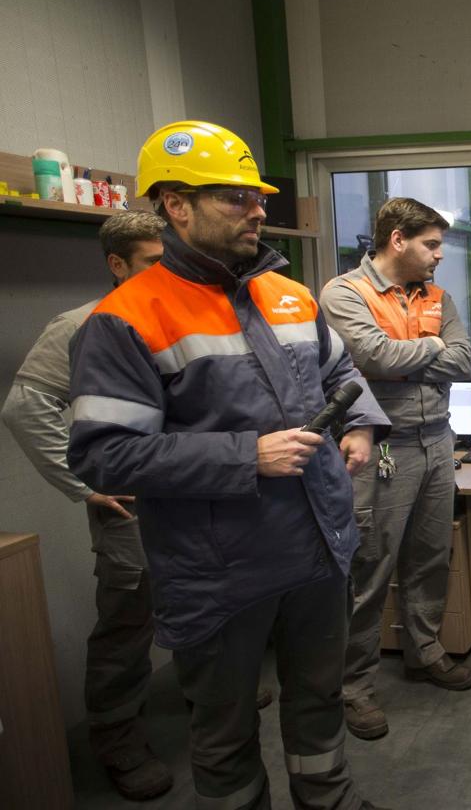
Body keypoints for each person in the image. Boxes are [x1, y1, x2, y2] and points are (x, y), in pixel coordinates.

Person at [66, 120, 392, 810]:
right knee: (224, 732)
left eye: (258, 197)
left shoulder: (289, 294)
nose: (257, 211)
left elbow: (342, 372)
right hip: (219, 568)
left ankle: (327, 801)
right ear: (176, 205)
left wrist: (360, 423)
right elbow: (103, 453)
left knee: (318, 704)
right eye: (234, 198)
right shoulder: (128, 318)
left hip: (316, 548)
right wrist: (246, 455)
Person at [2, 211, 173, 801]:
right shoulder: (83, 324)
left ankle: (205, 693)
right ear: (117, 265)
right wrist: (85, 485)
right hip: (129, 504)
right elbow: (26, 408)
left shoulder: (180, 317)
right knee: (128, 621)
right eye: (154, 261)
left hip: (190, 493)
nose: (166, 270)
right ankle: (117, 737)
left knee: (207, 598)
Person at [320, 197, 471, 741]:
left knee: (430, 558)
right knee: (371, 568)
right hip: (383, 448)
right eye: (432, 245)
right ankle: (354, 687)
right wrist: (428, 350)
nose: (439, 256)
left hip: (438, 442)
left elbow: (465, 361)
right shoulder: (344, 293)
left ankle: (424, 651)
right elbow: (371, 357)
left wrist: (406, 354)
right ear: (397, 240)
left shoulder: (438, 296)